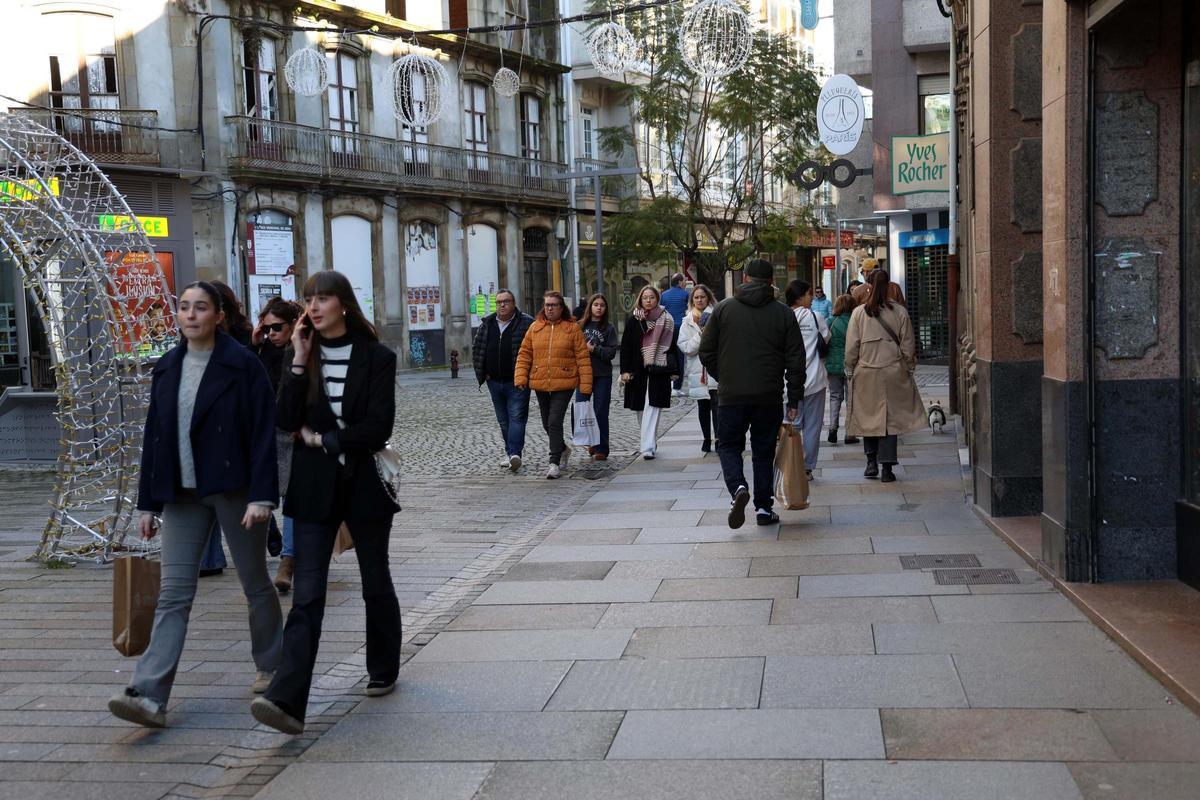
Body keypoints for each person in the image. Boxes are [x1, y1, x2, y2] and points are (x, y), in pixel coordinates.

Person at [107, 281, 282, 729]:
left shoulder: (242, 365)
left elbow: (264, 433)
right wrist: (148, 504)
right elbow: (155, 438)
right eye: (183, 307)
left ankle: (273, 665)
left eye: (200, 307)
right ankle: (147, 694)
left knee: (255, 583)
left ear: (218, 315)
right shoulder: (167, 367)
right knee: (172, 594)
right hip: (182, 494)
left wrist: (263, 496)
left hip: (234, 489)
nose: (190, 315)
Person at [251, 270, 402, 736]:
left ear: (343, 304)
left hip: (362, 486)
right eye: (309, 300)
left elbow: (377, 428)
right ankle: (287, 700)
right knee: (308, 596)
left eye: (323, 299)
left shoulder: (378, 357)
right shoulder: (302, 357)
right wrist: (297, 360)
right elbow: (285, 419)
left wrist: (321, 440)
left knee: (374, 581)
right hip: (313, 489)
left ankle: (383, 666)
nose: (313, 307)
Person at [698, 259, 804, 528]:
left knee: (728, 445)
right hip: (768, 394)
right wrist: (793, 398)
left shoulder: (724, 309)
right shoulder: (783, 313)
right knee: (763, 450)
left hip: (731, 394)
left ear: (744, 279)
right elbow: (795, 360)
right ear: (771, 282)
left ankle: (737, 488)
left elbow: (706, 351)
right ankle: (764, 508)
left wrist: (725, 376)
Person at [844, 270, 929, 483]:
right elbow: (908, 344)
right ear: (890, 285)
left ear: (869, 286)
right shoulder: (899, 312)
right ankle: (887, 469)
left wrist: (849, 369)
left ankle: (870, 462)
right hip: (893, 371)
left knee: (868, 417)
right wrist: (909, 367)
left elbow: (851, 347)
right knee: (889, 421)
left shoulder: (859, 313)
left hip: (866, 372)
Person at [196, 281, 256, 577]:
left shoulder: (245, 340)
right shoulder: (196, 343)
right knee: (207, 493)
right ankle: (209, 558)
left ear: (221, 311)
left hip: (235, 431)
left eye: (202, 307)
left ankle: (260, 544)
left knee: (230, 498)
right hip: (206, 430)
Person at [251, 297, 303, 593]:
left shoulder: (303, 350)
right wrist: (254, 344)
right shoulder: (262, 352)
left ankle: (288, 559)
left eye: (277, 327)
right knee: (262, 495)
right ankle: (274, 544)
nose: (271, 333)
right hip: (265, 434)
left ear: (292, 323)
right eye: (267, 328)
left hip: (294, 434)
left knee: (293, 499)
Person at [513, 291, 593, 479]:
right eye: (547, 305)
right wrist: (520, 377)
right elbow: (525, 354)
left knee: (554, 421)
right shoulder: (535, 328)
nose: (549, 308)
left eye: (554, 305)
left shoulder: (572, 329)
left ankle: (554, 462)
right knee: (546, 423)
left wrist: (586, 385)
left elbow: (582, 357)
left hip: (564, 381)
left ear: (561, 308)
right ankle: (563, 448)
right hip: (541, 381)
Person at [472, 289, 534, 472]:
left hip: (518, 381)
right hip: (494, 381)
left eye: (506, 301)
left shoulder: (526, 323)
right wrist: (484, 374)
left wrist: (528, 374)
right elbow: (477, 349)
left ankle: (515, 453)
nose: (502, 305)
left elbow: (534, 349)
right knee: (503, 420)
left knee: (516, 417)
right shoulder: (488, 324)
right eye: (499, 302)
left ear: (514, 303)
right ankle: (510, 453)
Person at [620, 285, 678, 459]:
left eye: (651, 297)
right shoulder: (634, 320)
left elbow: (672, 347)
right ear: (640, 300)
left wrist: (674, 371)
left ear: (657, 299)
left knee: (652, 407)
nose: (648, 301)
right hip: (637, 370)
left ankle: (647, 447)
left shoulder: (666, 319)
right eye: (645, 298)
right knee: (640, 410)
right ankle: (650, 439)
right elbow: (626, 347)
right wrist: (625, 371)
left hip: (658, 370)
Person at [786, 280, 831, 479]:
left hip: (788, 382)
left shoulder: (784, 316)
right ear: (799, 297)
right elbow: (826, 338)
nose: (811, 297)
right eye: (808, 294)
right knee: (812, 426)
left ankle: (791, 464)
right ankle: (807, 467)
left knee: (791, 424)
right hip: (815, 380)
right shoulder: (816, 317)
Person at [678, 283, 720, 454]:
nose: (700, 300)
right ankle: (706, 438)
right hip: (697, 370)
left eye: (702, 297)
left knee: (717, 406)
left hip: (714, 368)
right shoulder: (687, 322)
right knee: (703, 407)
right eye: (696, 297)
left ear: (708, 298)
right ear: (692, 300)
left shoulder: (717, 316)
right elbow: (686, 347)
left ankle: (719, 439)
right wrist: (701, 335)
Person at [578, 293, 619, 461]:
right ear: (590, 307)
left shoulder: (609, 328)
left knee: (600, 411)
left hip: (602, 374)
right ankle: (590, 442)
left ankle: (602, 447)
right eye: (596, 304)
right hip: (583, 374)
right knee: (582, 410)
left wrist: (594, 350)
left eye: (602, 305)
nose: (599, 307)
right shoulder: (580, 325)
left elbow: (611, 353)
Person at [825, 293, 860, 447]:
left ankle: (833, 427)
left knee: (834, 396)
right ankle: (850, 433)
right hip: (851, 365)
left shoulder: (830, 321)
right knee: (851, 398)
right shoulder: (856, 321)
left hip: (832, 365)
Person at [659, 273, 690, 393]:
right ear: (680, 282)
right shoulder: (685, 294)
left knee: (668, 355)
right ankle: (677, 387)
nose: (684, 284)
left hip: (667, 329)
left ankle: (668, 383)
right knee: (680, 357)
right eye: (684, 282)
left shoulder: (664, 295)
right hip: (681, 328)